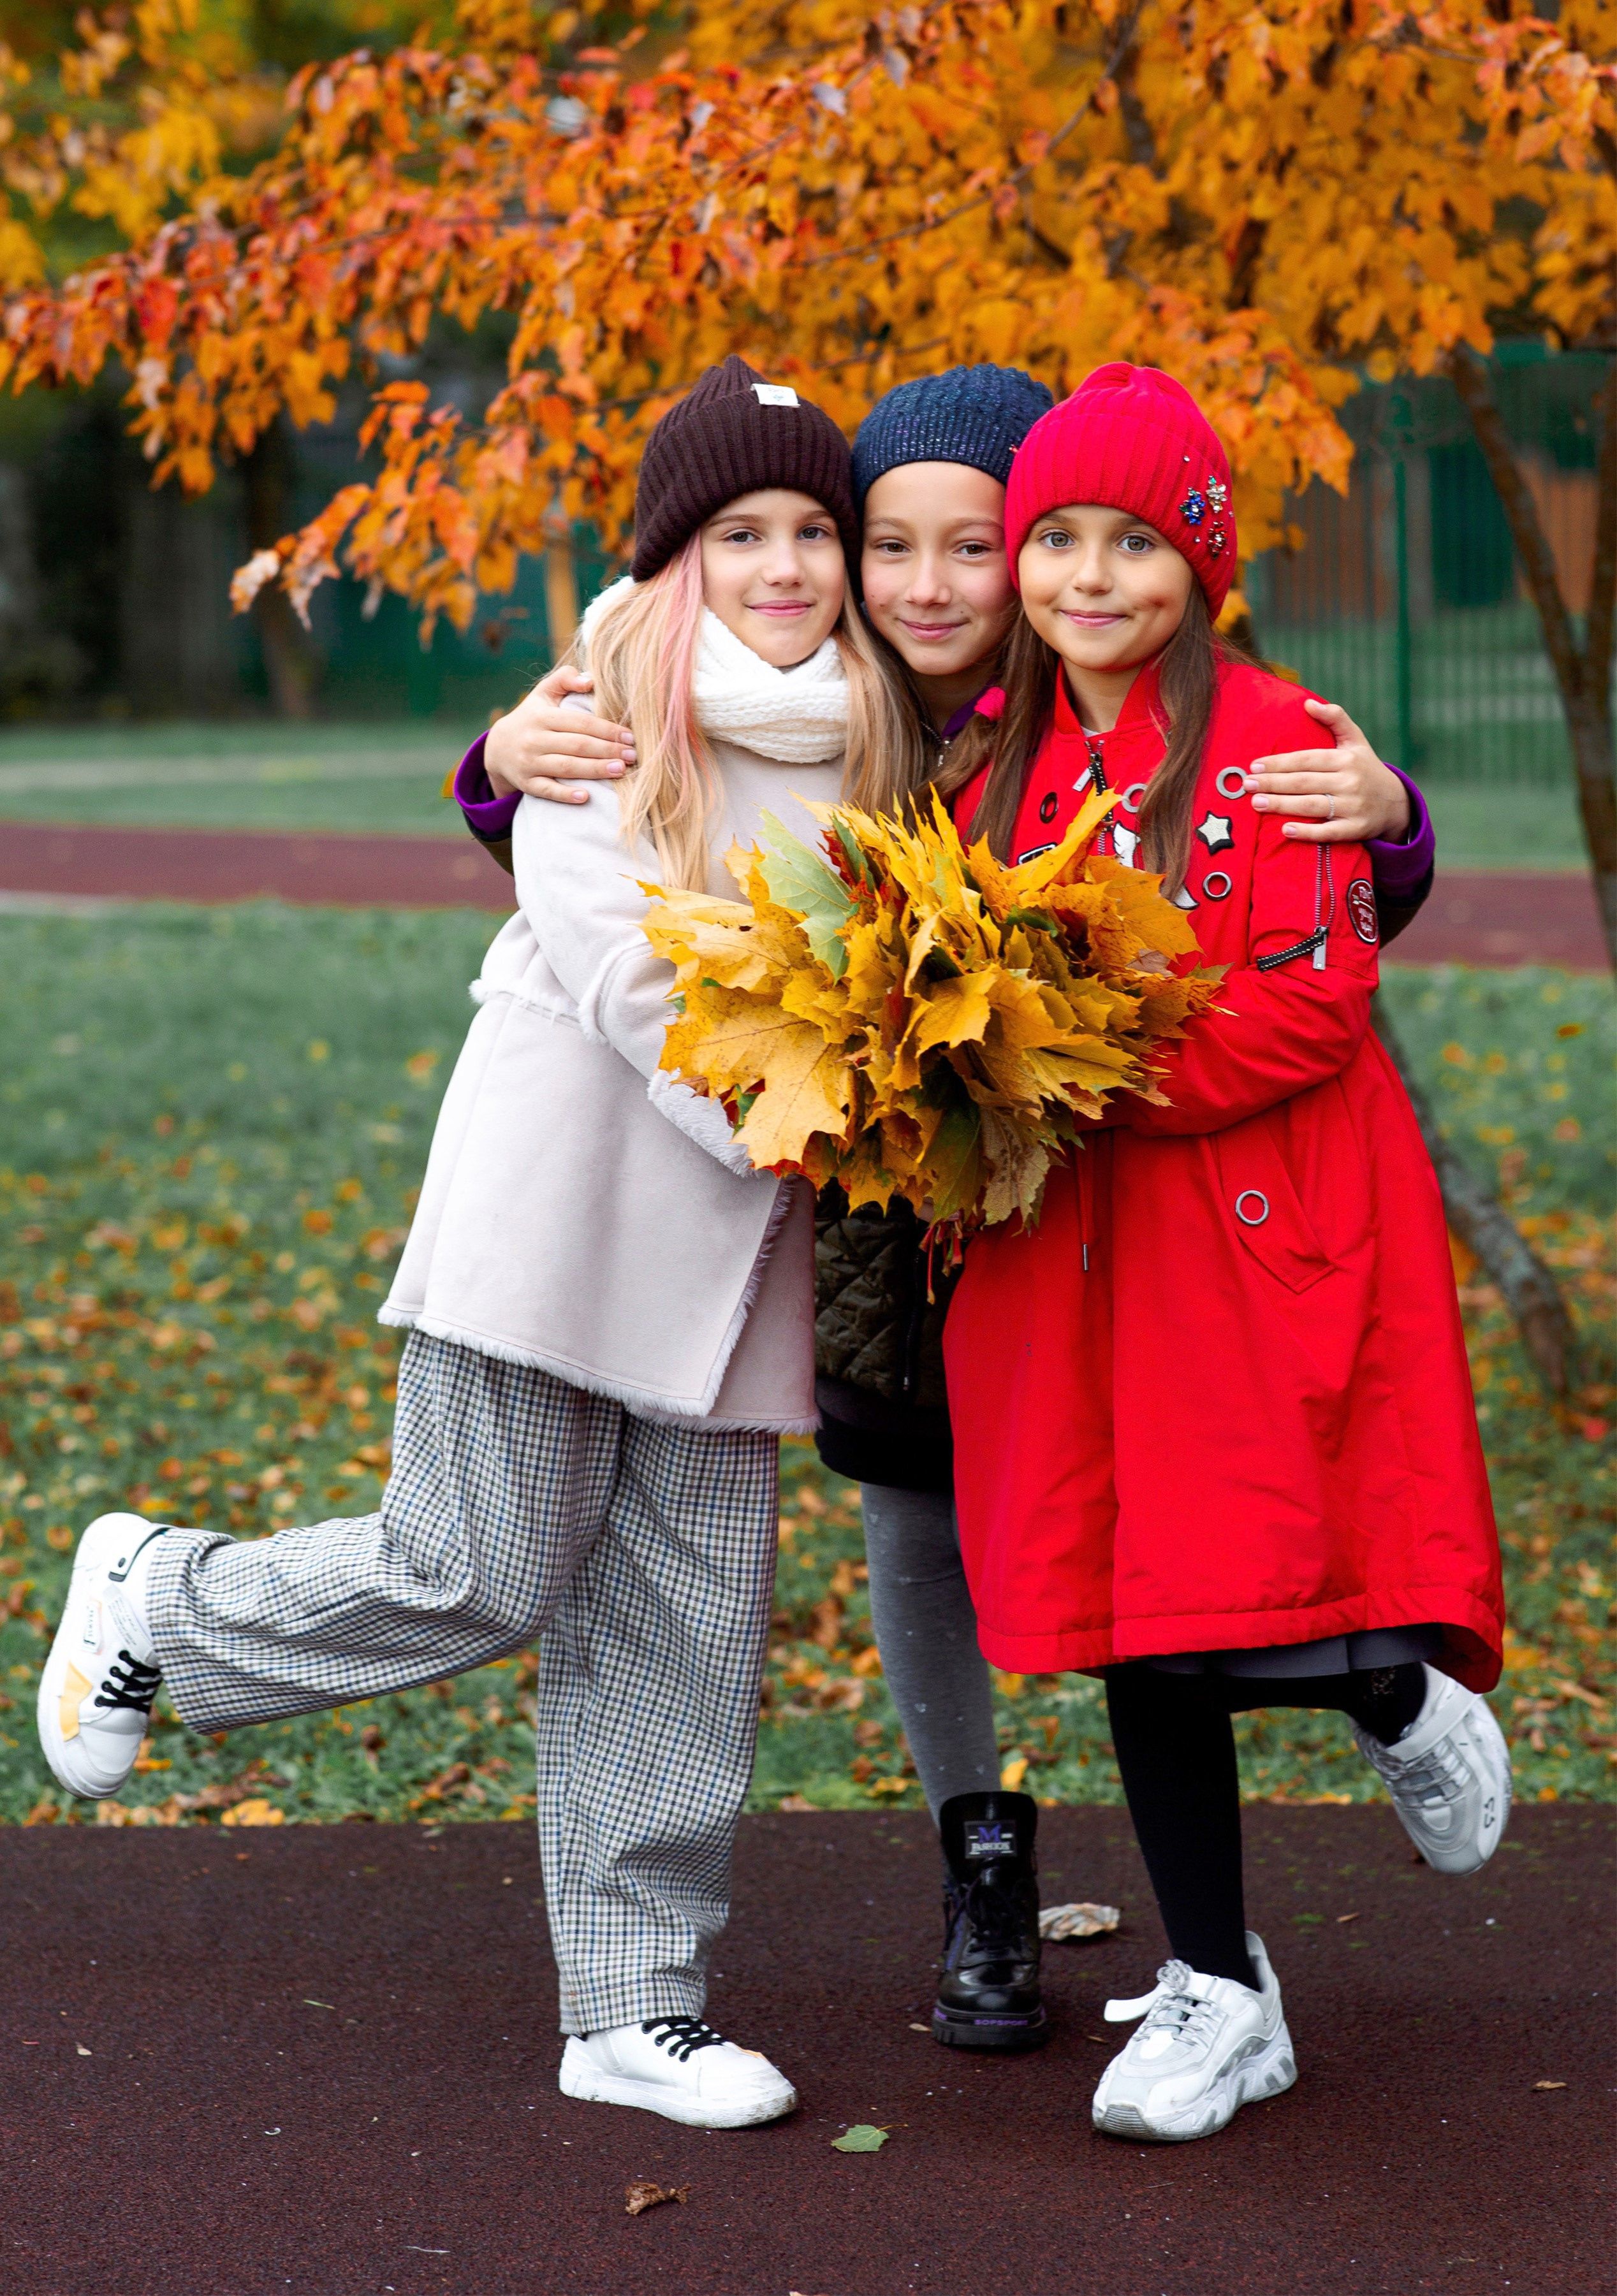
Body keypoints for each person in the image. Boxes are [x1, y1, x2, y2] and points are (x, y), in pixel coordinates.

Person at [448, 364, 1446, 2058]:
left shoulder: (1108, 691)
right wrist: (492, 765)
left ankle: (1340, 1724)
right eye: (887, 541)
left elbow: (1284, 890)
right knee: (914, 1504)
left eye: (975, 545)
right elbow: (627, 810)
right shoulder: (806, 686)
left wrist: (1397, 817)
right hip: (874, 1194)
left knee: (1159, 1485)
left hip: (1089, 1175)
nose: (926, 584)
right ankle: (981, 1843)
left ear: (1039, 549)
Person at [38, 355, 909, 2132]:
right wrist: (831, 1113)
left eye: (814, 527)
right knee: (473, 1565)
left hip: (739, 1270)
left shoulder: (883, 734)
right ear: (676, 555)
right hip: (566, 1214)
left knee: (684, 1627)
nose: (786, 563)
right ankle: (162, 1594)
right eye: (742, 528)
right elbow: (628, 971)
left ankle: (634, 2008)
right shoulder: (596, 719)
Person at [939, 362, 1509, 2144]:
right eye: (1057, 540)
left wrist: (1069, 1069)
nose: (1092, 577)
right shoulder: (997, 771)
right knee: (1142, 1618)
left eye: (1135, 541)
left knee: (1287, 1547)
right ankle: (1218, 1986)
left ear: (1203, 560)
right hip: (1084, 1256)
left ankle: (1402, 1689)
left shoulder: (1279, 742)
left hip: (1255, 1229)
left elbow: (1310, 1009)